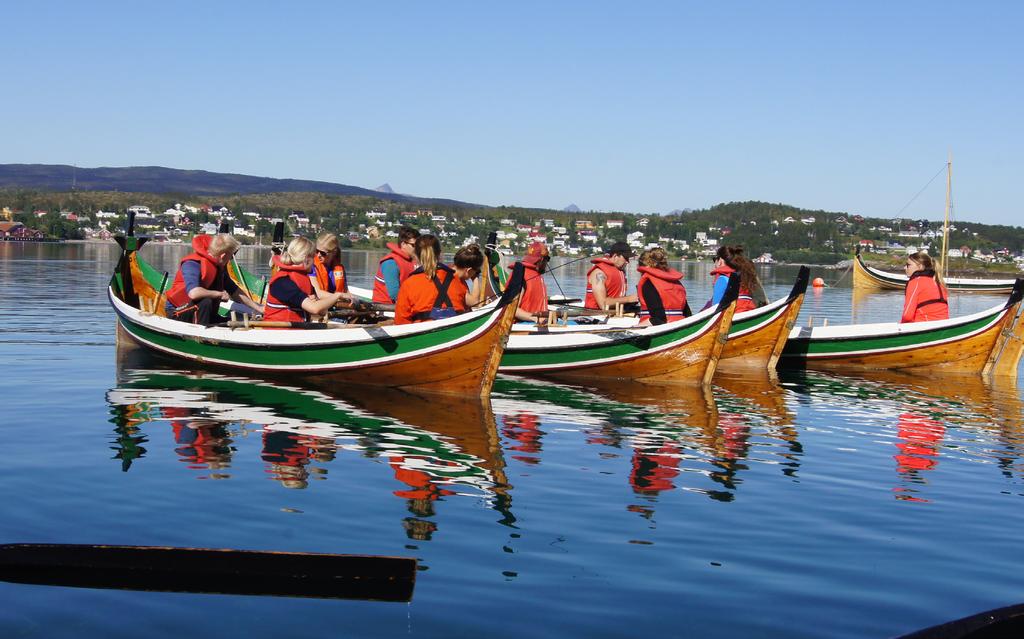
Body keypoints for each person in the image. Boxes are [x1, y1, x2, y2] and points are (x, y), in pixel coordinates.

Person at [165, 233, 264, 324]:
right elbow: (194, 293)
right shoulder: (192, 264)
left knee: (231, 321)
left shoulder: (219, 268)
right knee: (205, 301)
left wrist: (258, 308)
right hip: (177, 311)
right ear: (223, 255)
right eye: (231, 256)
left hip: (205, 313)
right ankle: (200, 336)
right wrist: (219, 294)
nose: (230, 260)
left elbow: (235, 291)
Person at [393, 236, 482, 324]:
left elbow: (401, 321)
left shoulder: (409, 283)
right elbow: (471, 304)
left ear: (416, 255)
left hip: (422, 332)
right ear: (440, 254)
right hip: (454, 329)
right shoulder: (457, 279)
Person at [265, 237, 351, 323]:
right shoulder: (282, 282)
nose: (314, 261)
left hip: (298, 330)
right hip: (279, 332)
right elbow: (315, 309)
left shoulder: (305, 280)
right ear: (306, 259)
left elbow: (322, 312)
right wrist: (338, 296)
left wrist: (315, 301)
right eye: (314, 256)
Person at [636, 247, 689, 325]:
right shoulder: (676, 282)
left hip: (660, 327)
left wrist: (636, 327)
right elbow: (687, 314)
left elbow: (658, 319)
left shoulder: (648, 283)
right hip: (680, 324)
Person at [705, 245, 765, 313]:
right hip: (748, 310)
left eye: (714, 259)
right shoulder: (745, 276)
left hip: (733, 315)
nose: (714, 263)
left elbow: (715, 308)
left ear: (720, 261)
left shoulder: (722, 279)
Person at [584, 241, 639, 310]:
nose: (628, 261)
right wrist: (628, 299)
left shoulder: (620, 270)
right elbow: (603, 304)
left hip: (616, 313)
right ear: (615, 256)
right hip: (595, 315)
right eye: (626, 258)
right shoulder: (599, 273)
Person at [373, 226, 420, 303]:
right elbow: (395, 294)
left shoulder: (414, 261)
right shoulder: (390, 263)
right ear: (403, 244)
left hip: (406, 303)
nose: (418, 248)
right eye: (414, 245)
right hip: (385, 308)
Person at [901, 251, 949, 323]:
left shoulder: (915, 282)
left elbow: (907, 316)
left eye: (908, 265)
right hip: (943, 325)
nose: (905, 268)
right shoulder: (939, 283)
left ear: (920, 266)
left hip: (923, 326)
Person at [515, 241, 550, 323]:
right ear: (541, 260)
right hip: (522, 327)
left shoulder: (535, 275)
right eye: (547, 259)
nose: (547, 263)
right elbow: (512, 308)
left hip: (538, 324)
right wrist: (535, 318)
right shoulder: (520, 275)